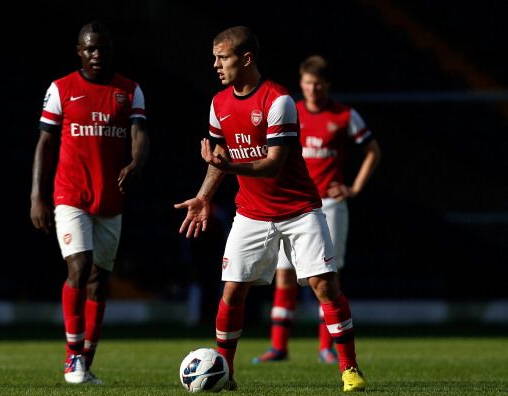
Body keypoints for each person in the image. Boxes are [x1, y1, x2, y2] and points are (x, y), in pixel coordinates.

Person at [174, 27, 366, 392]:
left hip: (299, 210)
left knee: (324, 285)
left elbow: (274, 164)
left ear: (246, 59)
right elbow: (219, 158)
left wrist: (228, 166)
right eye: (214, 57)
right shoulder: (219, 103)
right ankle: (225, 373)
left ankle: (349, 369)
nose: (215, 64)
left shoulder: (279, 101)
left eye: (223, 57)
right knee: (232, 292)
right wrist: (203, 197)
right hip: (250, 212)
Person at [29, 20, 149, 385]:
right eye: (90, 48)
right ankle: (72, 358)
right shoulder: (61, 89)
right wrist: (37, 194)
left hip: (110, 197)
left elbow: (140, 133)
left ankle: (86, 362)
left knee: (99, 283)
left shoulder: (129, 91)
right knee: (79, 268)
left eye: (103, 48)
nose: (97, 54)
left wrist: (136, 162)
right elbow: (45, 143)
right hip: (71, 196)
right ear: (79, 51)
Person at [252, 55, 381, 365]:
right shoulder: (290, 111)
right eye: (308, 83)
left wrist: (355, 187)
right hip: (292, 204)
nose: (313, 89)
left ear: (327, 85)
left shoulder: (344, 115)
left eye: (318, 83)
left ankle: (327, 348)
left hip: (330, 205)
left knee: (326, 277)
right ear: (301, 83)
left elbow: (373, 151)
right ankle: (278, 347)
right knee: (284, 276)